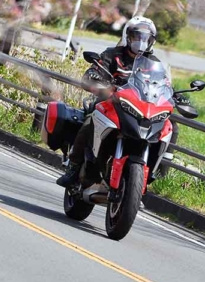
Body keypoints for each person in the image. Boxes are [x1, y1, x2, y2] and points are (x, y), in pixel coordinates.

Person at [56, 16, 160, 187]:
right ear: (128, 36)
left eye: (145, 38)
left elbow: (163, 83)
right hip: (109, 104)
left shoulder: (153, 63)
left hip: (137, 109)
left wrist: (173, 94)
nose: (141, 42)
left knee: (165, 127)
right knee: (89, 122)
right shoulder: (113, 55)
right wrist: (95, 77)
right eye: (137, 36)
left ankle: (151, 173)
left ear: (151, 41)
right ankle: (73, 167)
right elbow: (94, 70)